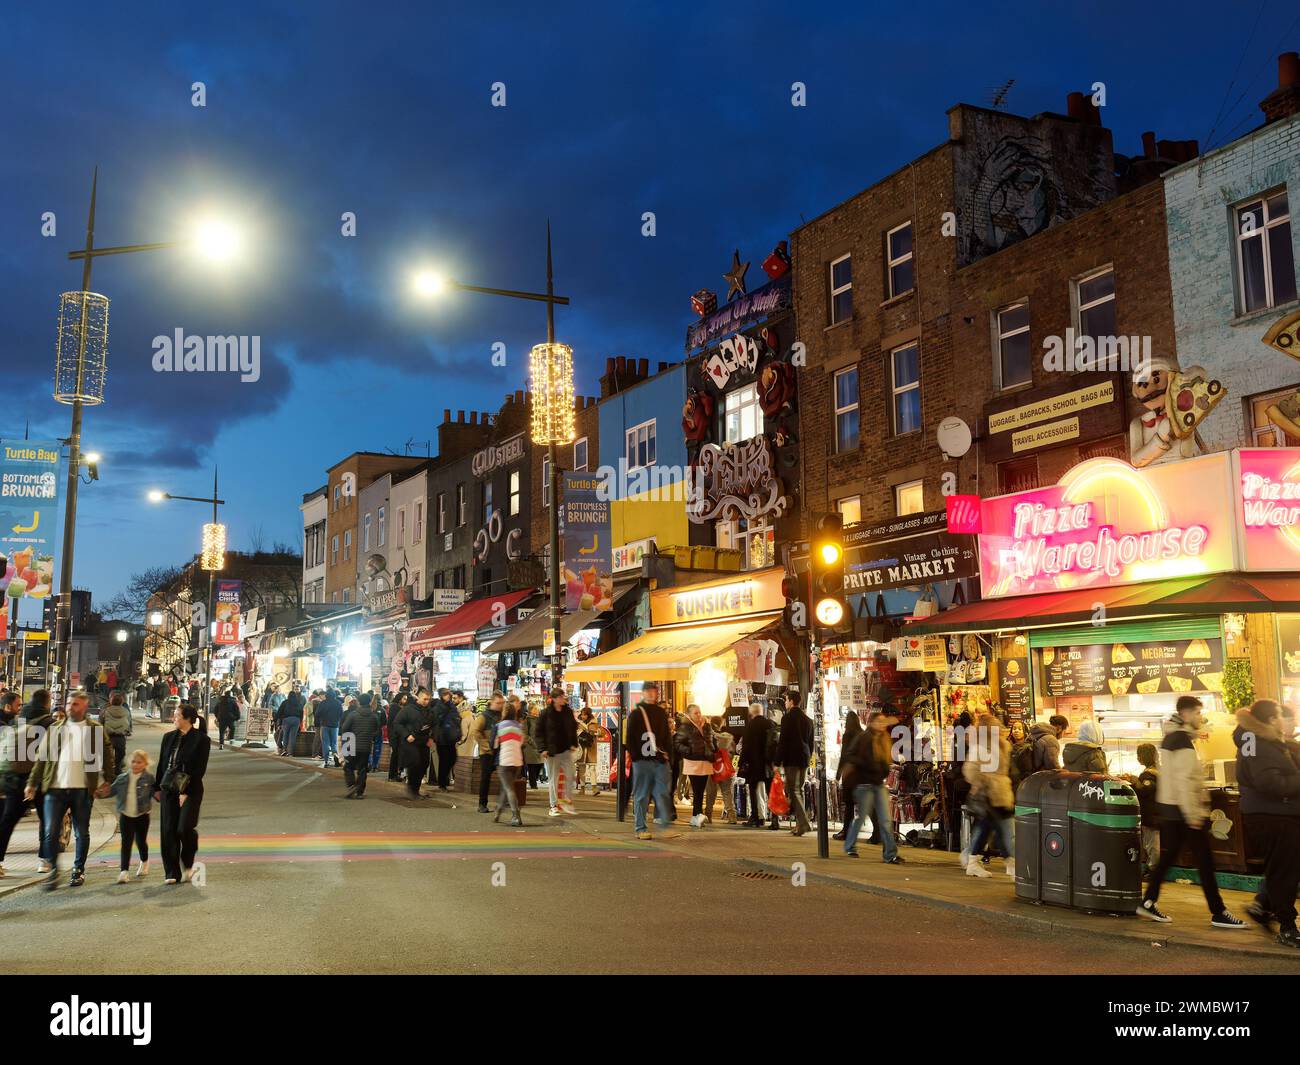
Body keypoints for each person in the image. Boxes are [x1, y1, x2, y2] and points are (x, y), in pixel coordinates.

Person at [1138, 695, 1244, 928]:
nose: (1200, 716)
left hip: (1173, 808)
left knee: (1169, 858)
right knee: (1204, 862)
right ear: (1186, 714)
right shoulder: (1181, 740)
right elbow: (1184, 780)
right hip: (1183, 810)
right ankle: (1218, 912)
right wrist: (1194, 813)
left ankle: (1147, 901)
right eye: (1197, 712)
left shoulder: (1174, 737)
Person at [24, 692, 117, 890]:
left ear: (84, 707)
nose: (69, 707)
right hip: (55, 789)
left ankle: (78, 870)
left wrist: (108, 780)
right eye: (68, 703)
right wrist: (32, 783)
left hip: (82, 790)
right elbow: (41, 758)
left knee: (81, 832)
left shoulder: (95, 730)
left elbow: (107, 756)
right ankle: (53, 871)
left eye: (75, 704)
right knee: (50, 832)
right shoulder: (55, 728)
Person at [1233, 699, 1300, 948]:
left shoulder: (1265, 741)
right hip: (1272, 815)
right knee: (1284, 871)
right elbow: (1269, 782)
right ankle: (1287, 926)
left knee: (1286, 869)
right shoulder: (1260, 742)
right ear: (1272, 719)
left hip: (1277, 814)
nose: (1285, 720)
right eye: (1281, 715)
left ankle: (1263, 907)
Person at [155, 702, 211, 885]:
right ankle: (171, 871)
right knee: (168, 830)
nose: (174, 718)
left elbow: (199, 769)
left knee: (183, 828)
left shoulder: (201, 740)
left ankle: (188, 862)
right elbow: (162, 765)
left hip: (191, 790)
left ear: (187, 719)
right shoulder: (168, 737)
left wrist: (185, 791)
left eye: (177, 715)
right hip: (168, 788)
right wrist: (157, 788)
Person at [842, 708, 903, 863]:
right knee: (861, 817)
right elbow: (849, 755)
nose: (882, 724)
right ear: (872, 723)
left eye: (883, 721)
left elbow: (886, 760)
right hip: (863, 784)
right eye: (879, 721)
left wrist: (883, 769)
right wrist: (865, 765)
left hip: (878, 783)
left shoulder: (884, 738)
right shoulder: (863, 737)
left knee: (885, 819)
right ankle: (850, 846)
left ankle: (890, 854)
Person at [0, 691, 50, 878]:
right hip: (39, 779)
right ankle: (44, 861)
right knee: (46, 820)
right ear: (47, 703)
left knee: (8, 821)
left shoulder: (18, 719)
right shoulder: (49, 723)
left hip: (16, 778)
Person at [960, 713, 1014, 877]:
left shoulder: (1002, 745)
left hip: (1001, 793)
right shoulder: (981, 747)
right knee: (1002, 829)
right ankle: (1010, 863)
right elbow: (970, 770)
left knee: (989, 828)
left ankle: (972, 860)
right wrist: (982, 781)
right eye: (995, 726)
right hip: (988, 794)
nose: (999, 728)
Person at [628, 683, 673, 840]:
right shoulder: (636, 713)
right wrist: (635, 757)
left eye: (654, 691)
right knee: (641, 795)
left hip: (659, 759)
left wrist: (669, 755)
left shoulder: (661, 713)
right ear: (643, 693)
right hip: (642, 760)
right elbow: (630, 737)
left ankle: (665, 822)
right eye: (648, 691)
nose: (651, 694)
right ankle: (640, 827)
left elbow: (667, 736)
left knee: (662, 791)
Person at [109, 749, 154, 883]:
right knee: (126, 842)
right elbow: (111, 791)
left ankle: (144, 861)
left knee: (140, 841)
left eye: (139, 762)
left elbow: (156, 793)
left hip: (142, 815)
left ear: (145, 764)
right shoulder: (122, 778)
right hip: (126, 814)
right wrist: (99, 792)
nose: (135, 764)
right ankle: (124, 871)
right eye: (133, 761)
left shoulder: (149, 779)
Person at [776, 690, 813, 837]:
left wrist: (777, 761)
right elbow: (811, 744)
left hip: (792, 759)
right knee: (799, 790)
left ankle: (803, 823)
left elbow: (783, 742)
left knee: (794, 791)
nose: (785, 703)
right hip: (804, 758)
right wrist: (808, 757)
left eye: (786, 700)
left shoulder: (787, 718)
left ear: (791, 701)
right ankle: (800, 824)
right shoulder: (808, 719)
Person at [537, 688, 579, 817]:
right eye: (560, 697)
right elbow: (539, 732)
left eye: (563, 696)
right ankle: (553, 805)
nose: (563, 699)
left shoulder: (567, 712)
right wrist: (542, 748)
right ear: (554, 699)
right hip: (552, 751)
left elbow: (572, 727)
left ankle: (566, 800)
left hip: (566, 749)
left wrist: (573, 743)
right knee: (553, 779)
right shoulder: (545, 713)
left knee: (571, 774)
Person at [675, 704, 715, 828]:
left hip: (706, 761)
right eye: (695, 713)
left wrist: (714, 748)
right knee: (697, 790)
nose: (698, 715)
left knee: (700, 791)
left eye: (699, 712)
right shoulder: (685, 727)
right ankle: (697, 815)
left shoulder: (707, 725)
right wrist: (689, 751)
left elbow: (712, 739)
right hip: (693, 762)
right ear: (689, 714)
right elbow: (677, 743)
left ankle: (696, 816)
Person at [738, 703, 774, 829]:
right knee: (770, 792)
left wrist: (741, 762)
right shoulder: (770, 724)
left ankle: (755, 818)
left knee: (753, 791)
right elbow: (774, 743)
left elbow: (746, 747)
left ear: (751, 713)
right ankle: (774, 820)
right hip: (768, 764)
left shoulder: (750, 726)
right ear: (762, 711)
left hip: (754, 763)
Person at [468, 693, 504, 813]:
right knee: (486, 777)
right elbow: (475, 731)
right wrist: (486, 745)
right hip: (487, 752)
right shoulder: (484, 716)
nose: (501, 705)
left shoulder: (502, 715)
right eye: (498, 703)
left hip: (500, 751)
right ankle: (482, 804)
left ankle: (503, 803)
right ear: (492, 702)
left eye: (502, 703)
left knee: (504, 777)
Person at [393, 689, 432, 799]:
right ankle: (411, 789)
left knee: (424, 763)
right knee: (415, 763)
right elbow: (397, 723)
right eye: (424, 699)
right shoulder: (408, 710)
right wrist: (406, 735)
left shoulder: (429, 711)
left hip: (424, 741)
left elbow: (434, 724)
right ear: (418, 698)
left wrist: (432, 738)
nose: (426, 701)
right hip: (411, 742)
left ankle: (416, 789)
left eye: (428, 699)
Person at [491, 702, 526, 827]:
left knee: (509, 789)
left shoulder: (499, 726)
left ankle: (516, 816)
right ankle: (498, 812)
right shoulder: (519, 726)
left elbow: (493, 745)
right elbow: (522, 742)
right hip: (517, 761)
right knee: (506, 788)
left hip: (504, 761)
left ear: (504, 712)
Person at [341, 692, 380, 799]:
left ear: (359, 702)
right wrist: (369, 736)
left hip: (351, 744)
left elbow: (344, 728)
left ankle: (351, 785)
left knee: (348, 767)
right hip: (366, 746)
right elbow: (377, 731)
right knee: (362, 769)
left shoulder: (353, 714)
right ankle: (360, 792)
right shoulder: (374, 716)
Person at [833, 710, 863, 840]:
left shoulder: (848, 735)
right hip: (861, 773)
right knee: (864, 804)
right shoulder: (862, 734)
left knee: (849, 805)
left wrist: (838, 774)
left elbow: (844, 755)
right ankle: (877, 832)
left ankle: (846, 831)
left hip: (850, 774)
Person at [1130, 743, 1160, 872]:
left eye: (1139, 755)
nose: (1137, 758)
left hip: (1150, 815)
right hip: (1156, 813)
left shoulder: (1148, 775)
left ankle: (1153, 869)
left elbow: (1146, 789)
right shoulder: (1158, 771)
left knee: (1152, 844)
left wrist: (1135, 782)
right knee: (1151, 843)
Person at [704, 717, 737, 824]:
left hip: (712, 768)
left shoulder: (708, 737)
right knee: (727, 793)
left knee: (710, 793)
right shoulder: (727, 737)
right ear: (721, 724)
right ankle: (732, 816)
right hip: (725, 769)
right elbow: (733, 751)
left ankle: (708, 815)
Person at [432, 688, 463, 791]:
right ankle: (442, 783)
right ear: (441, 696)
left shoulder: (451, 705)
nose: (448, 696)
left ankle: (444, 780)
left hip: (451, 737)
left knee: (452, 758)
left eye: (448, 694)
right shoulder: (438, 706)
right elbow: (435, 720)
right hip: (441, 737)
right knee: (444, 761)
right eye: (445, 694)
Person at [575, 706, 601, 796]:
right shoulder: (578, 723)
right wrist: (579, 732)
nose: (583, 717)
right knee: (582, 768)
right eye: (582, 715)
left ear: (588, 715)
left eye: (585, 715)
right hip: (581, 747)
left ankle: (594, 788)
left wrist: (595, 732)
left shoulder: (594, 722)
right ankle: (582, 788)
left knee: (592, 768)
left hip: (591, 748)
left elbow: (601, 732)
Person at [316, 686, 344, 768]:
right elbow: (341, 714)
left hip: (324, 725)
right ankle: (336, 757)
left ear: (326, 695)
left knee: (325, 743)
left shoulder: (323, 703)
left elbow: (317, 714)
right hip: (335, 726)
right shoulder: (338, 703)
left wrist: (321, 719)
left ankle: (326, 761)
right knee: (334, 743)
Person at [387, 692, 412, 782]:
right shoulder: (395, 707)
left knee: (397, 756)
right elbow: (393, 723)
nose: (405, 701)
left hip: (397, 735)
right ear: (399, 698)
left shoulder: (397, 707)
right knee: (395, 755)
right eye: (404, 699)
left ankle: (395, 774)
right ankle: (392, 775)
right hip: (395, 736)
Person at [522, 699, 545, 789]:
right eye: (535, 709)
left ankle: (533, 780)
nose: (537, 710)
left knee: (539, 765)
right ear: (530, 710)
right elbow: (525, 733)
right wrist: (532, 742)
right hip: (530, 747)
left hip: (539, 746)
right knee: (532, 766)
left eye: (537, 709)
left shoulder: (540, 720)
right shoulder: (527, 720)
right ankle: (533, 784)